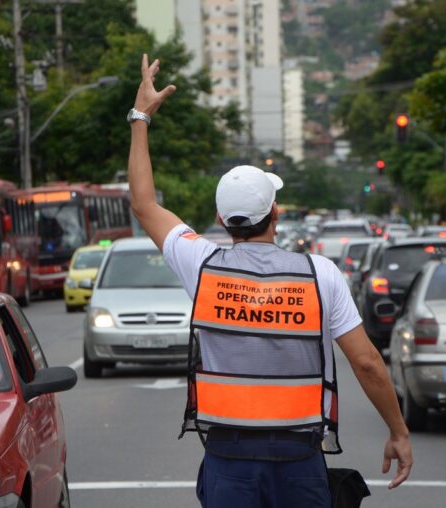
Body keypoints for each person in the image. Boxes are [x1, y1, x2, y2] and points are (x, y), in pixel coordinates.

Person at [126, 54, 412, 507]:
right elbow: (369, 365)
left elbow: (143, 203)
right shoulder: (320, 275)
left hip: (227, 460)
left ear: (222, 218)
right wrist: (397, 431)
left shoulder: (201, 265)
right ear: (275, 213)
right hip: (299, 461)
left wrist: (140, 117)